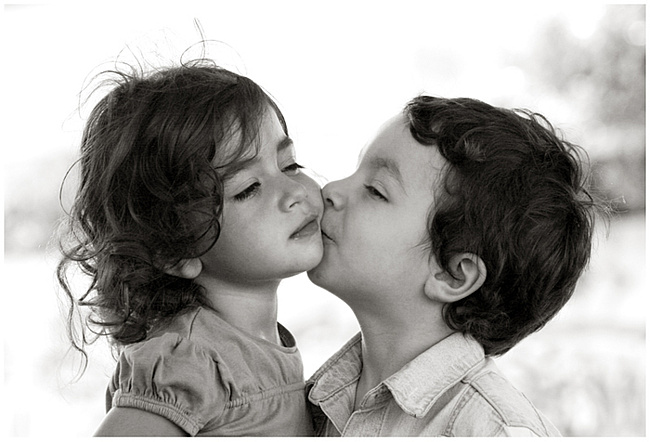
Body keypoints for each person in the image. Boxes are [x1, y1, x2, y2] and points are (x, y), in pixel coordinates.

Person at [305, 95, 602, 436]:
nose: (331, 190)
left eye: (375, 190)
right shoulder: (316, 400)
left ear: (452, 275)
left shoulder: (492, 432)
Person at [56, 59, 323, 436]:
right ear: (174, 250)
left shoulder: (260, 346)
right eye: (249, 188)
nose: (294, 191)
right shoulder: (189, 359)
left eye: (290, 165)